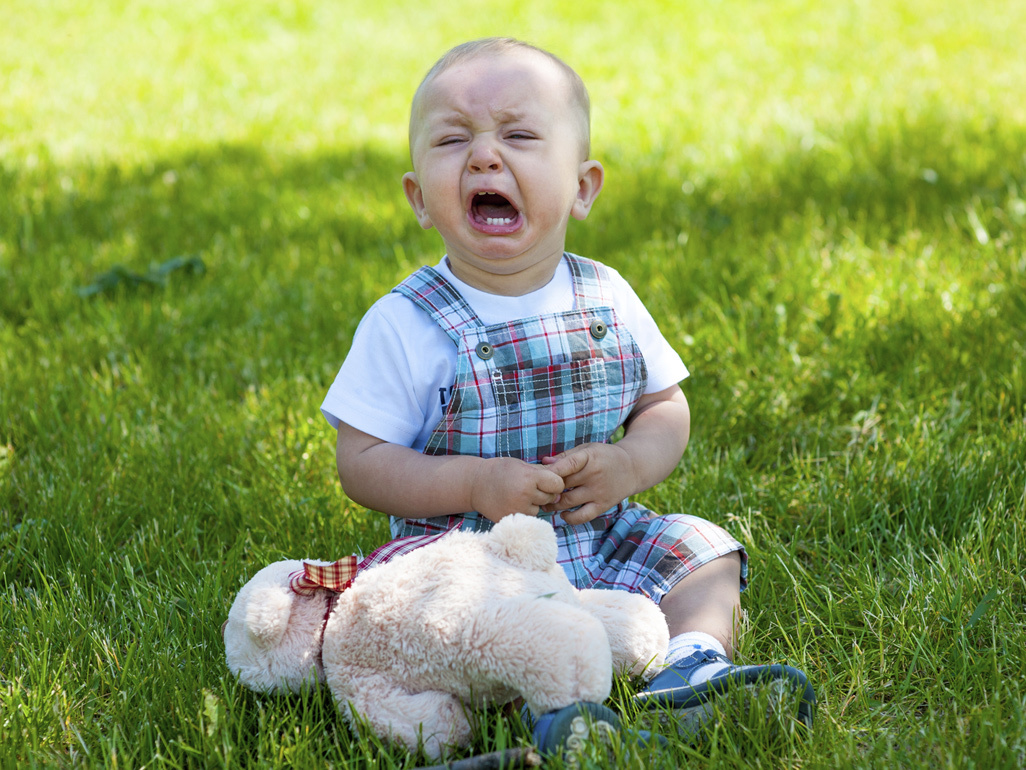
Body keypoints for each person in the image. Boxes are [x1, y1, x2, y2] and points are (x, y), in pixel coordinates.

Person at [321, 37, 814, 752]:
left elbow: (663, 406)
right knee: (468, 626)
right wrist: (473, 481)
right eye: (454, 139)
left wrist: (631, 466)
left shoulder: (605, 295)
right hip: (467, 559)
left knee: (705, 552)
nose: (486, 156)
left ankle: (692, 666)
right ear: (418, 198)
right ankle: (539, 723)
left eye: (519, 135)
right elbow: (361, 460)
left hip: (598, 534)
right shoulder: (407, 321)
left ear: (583, 187)